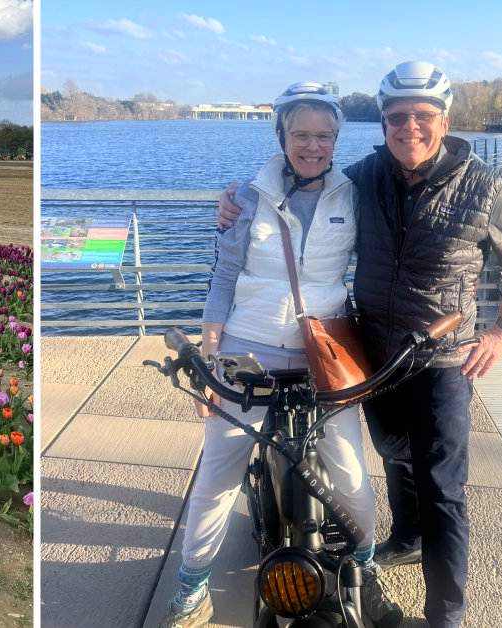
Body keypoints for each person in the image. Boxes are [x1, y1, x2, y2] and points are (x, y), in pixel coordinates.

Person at [219, 61, 502, 628]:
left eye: (423, 116)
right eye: (397, 117)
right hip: (374, 350)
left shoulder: (485, 187)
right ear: (384, 122)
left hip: (442, 358)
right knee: (394, 452)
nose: (409, 128)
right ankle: (410, 535)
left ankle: (446, 611)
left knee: (444, 485)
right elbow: (302, 181)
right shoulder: (366, 177)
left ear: (444, 119)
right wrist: (233, 203)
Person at [160, 83, 401, 628]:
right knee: (217, 474)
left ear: (337, 139)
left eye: (323, 136)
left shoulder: (356, 192)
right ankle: (191, 586)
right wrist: (210, 355)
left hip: (325, 355)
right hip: (250, 348)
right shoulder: (246, 196)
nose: (312, 146)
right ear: (281, 136)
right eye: (301, 135)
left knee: (351, 476)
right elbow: (223, 278)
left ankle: (363, 570)